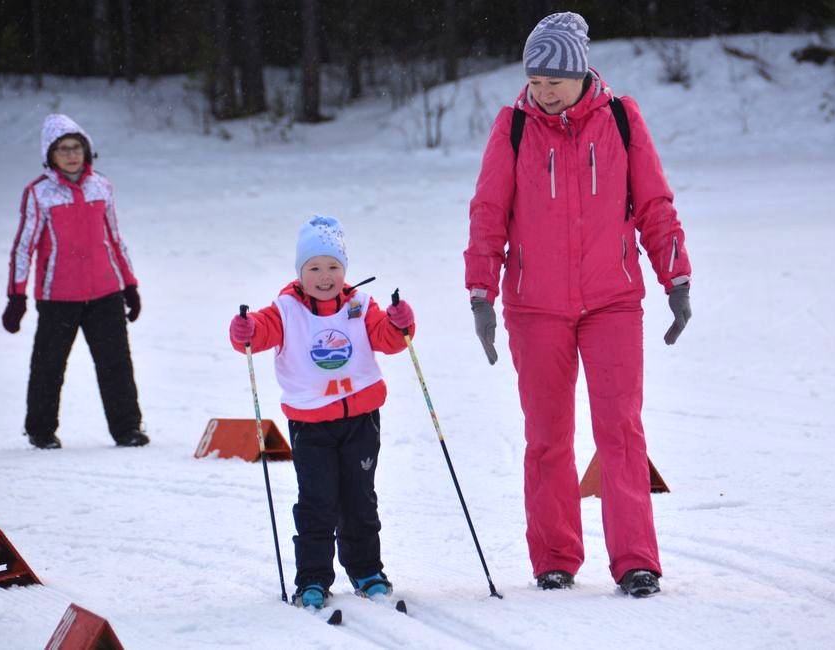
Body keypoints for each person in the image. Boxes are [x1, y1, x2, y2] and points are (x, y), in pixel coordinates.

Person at [463, 12, 692, 598]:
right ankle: (554, 557)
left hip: (612, 302)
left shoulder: (620, 118)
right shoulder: (513, 126)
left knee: (621, 431)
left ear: (581, 74)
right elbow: (489, 213)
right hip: (534, 308)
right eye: (534, 82)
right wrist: (481, 292)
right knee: (547, 436)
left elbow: (654, 203)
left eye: (553, 83)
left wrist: (675, 278)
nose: (542, 93)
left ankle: (637, 559)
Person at [228, 215, 416, 610]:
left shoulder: (361, 305)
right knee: (317, 501)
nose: (325, 276)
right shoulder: (286, 309)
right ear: (301, 272)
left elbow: (387, 337)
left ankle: (367, 571)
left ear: (344, 270)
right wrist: (244, 330)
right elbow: (259, 331)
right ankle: (312, 578)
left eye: (333, 267)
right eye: (314, 268)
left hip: (360, 418)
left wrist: (401, 323)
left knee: (359, 498)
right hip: (311, 423)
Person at [2, 113, 148, 450]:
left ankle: (127, 428)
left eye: (77, 147)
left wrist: (129, 284)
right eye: (63, 149)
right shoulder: (39, 194)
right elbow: (23, 246)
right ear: (50, 155)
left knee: (116, 364)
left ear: (86, 151)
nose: (71, 155)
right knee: (48, 365)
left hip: (105, 292)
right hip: (58, 297)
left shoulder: (102, 186)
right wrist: (16, 296)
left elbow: (114, 239)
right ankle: (40, 430)